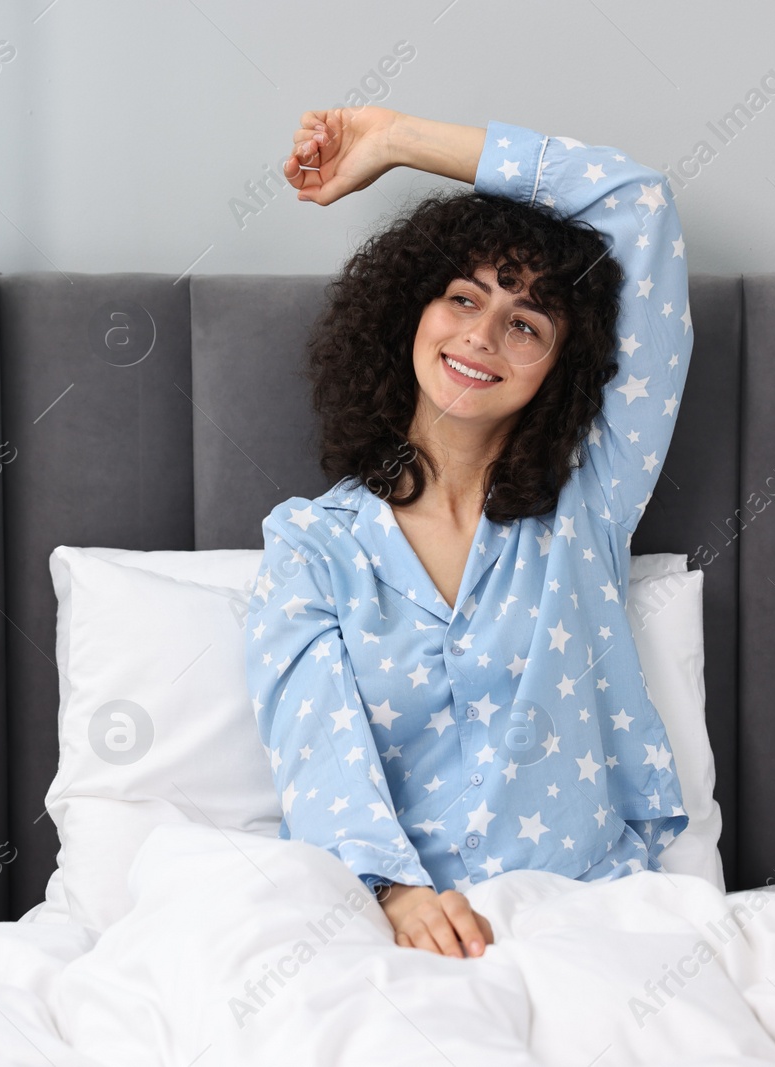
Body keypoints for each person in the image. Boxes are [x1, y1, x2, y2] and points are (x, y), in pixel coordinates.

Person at [244, 106, 693, 961]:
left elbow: (641, 206)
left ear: (558, 369)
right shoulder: (311, 547)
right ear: (411, 314)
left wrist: (395, 142)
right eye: (463, 298)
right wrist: (399, 894)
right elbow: (318, 748)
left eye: (526, 323)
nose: (482, 335)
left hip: (586, 921)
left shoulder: (588, 505)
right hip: (386, 926)